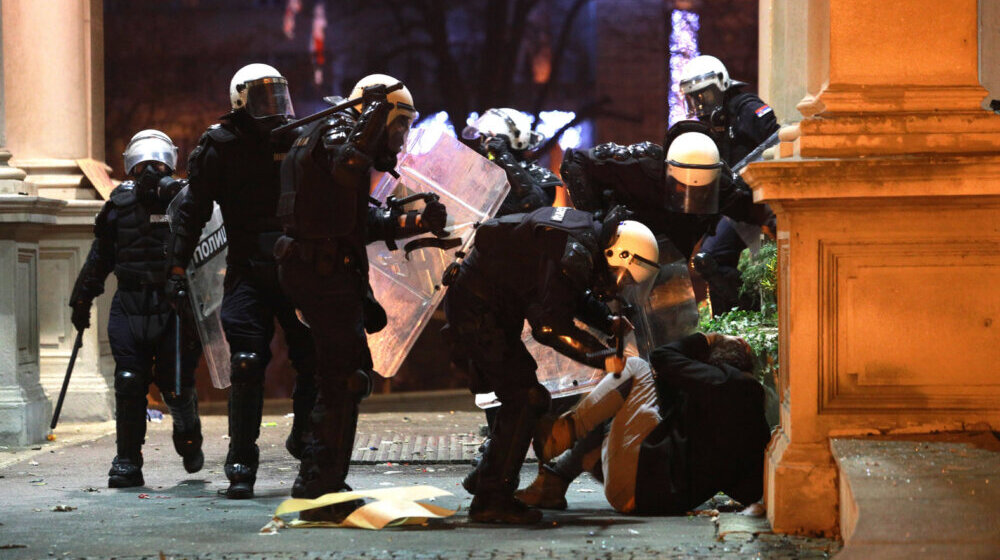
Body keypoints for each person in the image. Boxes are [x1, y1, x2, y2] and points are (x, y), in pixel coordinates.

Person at [275, 74, 447, 521]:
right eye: (400, 122)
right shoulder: (340, 134)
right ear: (379, 112)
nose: (401, 135)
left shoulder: (334, 136)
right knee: (342, 379)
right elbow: (347, 168)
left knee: (338, 377)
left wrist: (413, 223)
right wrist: (371, 120)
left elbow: (354, 222)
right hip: (323, 273)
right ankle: (319, 487)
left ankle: (321, 478)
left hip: (320, 267)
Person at [443, 206, 659, 523]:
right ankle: (492, 498)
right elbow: (549, 327)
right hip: (478, 311)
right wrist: (600, 356)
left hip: (483, 306)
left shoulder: (582, 239)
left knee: (524, 394)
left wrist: (607, 320)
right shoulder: (576, 250)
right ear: (619, 254)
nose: (620, 284)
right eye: (623, 277)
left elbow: (566, 295)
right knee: (525, 396)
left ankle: (488, 478)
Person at [165, 63, 317, 499]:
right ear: (239, 100)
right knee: (247, 362)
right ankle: (240, 462)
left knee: (313, 359)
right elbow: (192, 211)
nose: (274, 107)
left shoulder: (300, 140)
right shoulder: (220, 146)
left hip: (296, 268)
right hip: (248, 270)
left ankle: (305, 437)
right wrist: (175, 269)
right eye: (262, 97)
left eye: (278, 96)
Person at [69, 129, 203, 488]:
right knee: (129, 382)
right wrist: (82, 297)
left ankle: (188, 431)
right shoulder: (118, 208)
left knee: (176, 387)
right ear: (131, 166)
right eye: (143, 164)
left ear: (169, 164)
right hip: (129, 303)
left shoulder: (186, 204)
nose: (149, 172)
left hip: (174, 307)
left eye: (156, 165)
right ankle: (128, 460)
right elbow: (100, 259)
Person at [523, 332, 771, 515]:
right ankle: (555, 482)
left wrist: (707, 338)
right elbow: (749, 490)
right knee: (621, 402)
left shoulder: (724, 381)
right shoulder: (751, 407)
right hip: (650, 501)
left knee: (635, 366)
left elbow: (661, 357)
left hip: (635, 479)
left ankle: (569, 429)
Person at [679, 55, 780, 315]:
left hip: (764, 201)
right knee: (708, 260)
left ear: (722, 84)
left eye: (706, 96)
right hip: (737, 207)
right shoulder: (709, 127)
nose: (701, 105)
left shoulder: (746, 107)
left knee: (781, 255)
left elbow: (778, 141)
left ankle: (757, 311)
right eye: (695, 99)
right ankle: (736, 317)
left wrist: (748, 174)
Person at [461, 108, 561, 215]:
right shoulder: (484, 176)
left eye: (491, 139)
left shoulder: (539, 175)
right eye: (484, 138)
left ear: (515, 140)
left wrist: (504, 157)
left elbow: (535, 205)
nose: (485, 144)